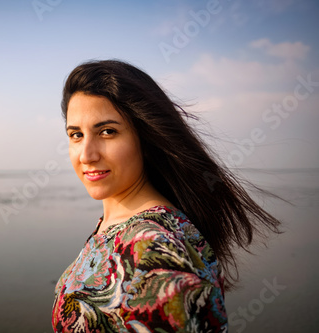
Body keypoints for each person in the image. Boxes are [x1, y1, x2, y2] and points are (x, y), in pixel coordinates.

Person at [51, 59, 285, 332]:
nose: (87, 155)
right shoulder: (116, 226)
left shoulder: (154, 247)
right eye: (76, 134)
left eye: (107, 132)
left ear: (145, 138)